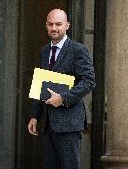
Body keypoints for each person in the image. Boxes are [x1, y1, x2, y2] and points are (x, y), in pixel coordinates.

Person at [28, 9, 96, 169]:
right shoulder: (44, 51)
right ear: (46, 26)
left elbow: (89, 81)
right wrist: (34, 115)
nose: (54, 28)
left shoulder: (77, 50)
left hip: (69, 123)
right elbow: (40, 83)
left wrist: (63, 98)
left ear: (67, 25)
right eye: (50, 24)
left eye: (58, 24)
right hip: (48, 123)